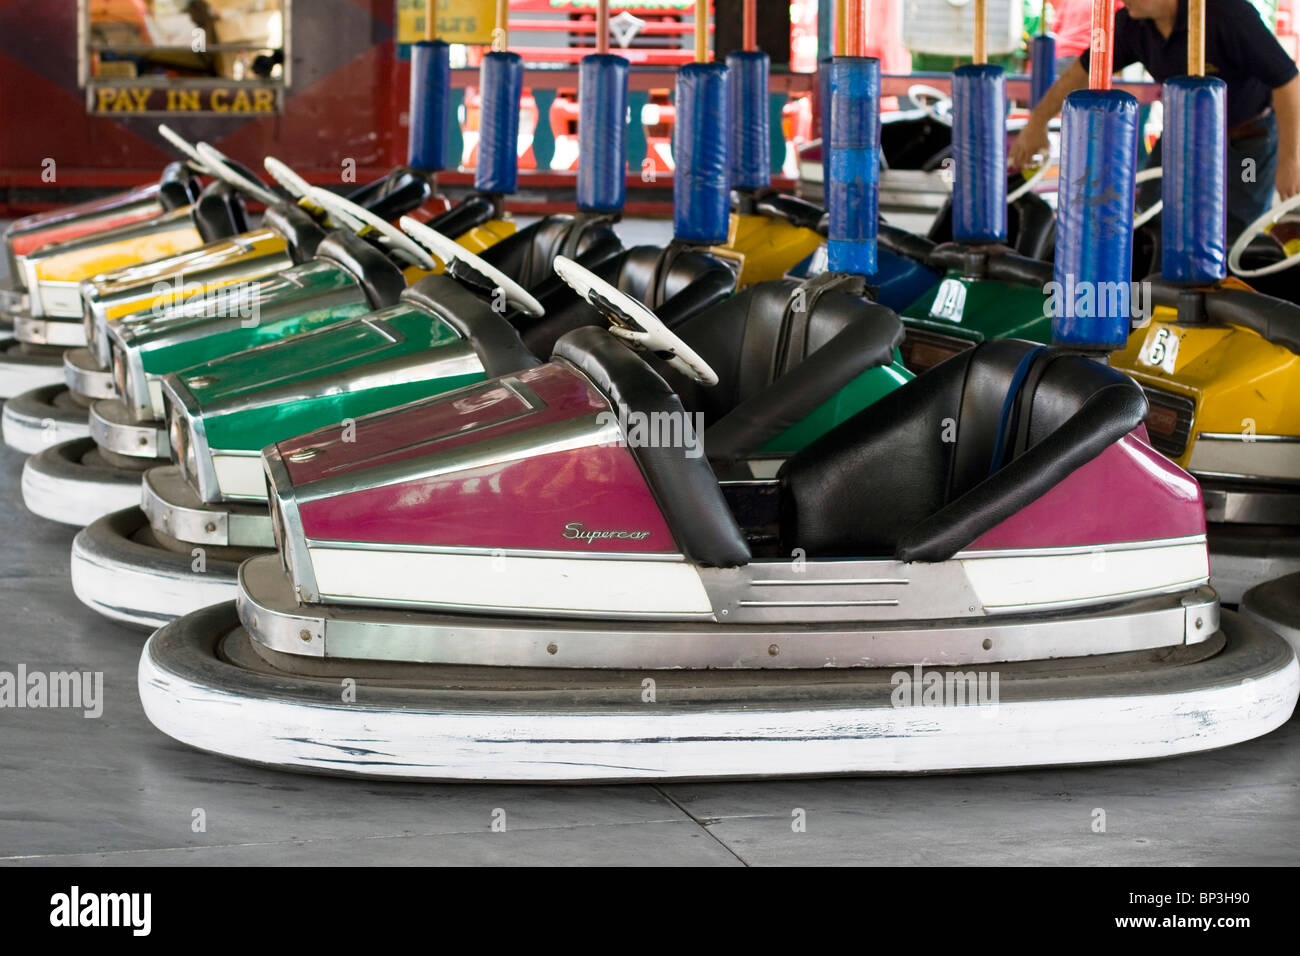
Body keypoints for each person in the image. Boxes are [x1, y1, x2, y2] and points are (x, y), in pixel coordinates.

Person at [1009, 0, 1300, 239]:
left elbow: (1287, 82)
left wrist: (1290, 159)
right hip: (1179, 136)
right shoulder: (1131, 24)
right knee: (1151, 215)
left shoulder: (1228, 14)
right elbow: (1080, 72)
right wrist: (1037, 121)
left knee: (1236, 228)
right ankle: (1157, 303)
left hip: (1245, 142)